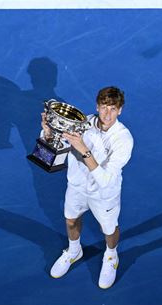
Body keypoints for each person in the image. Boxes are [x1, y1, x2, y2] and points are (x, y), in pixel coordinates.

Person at [43, 86, 134, 289]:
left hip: (104, 193)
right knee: (71, 221)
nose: (107, 114)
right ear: (97, 106)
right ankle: (74, 251)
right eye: (103, 107)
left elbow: (104, 180)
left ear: (120, 110)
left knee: (109, 229)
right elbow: (50, 158)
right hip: (76, 187)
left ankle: (111, 256)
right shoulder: (80, 124)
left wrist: (83, 150)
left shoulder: (124, 139)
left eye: (112, 108)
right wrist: (49, 134)